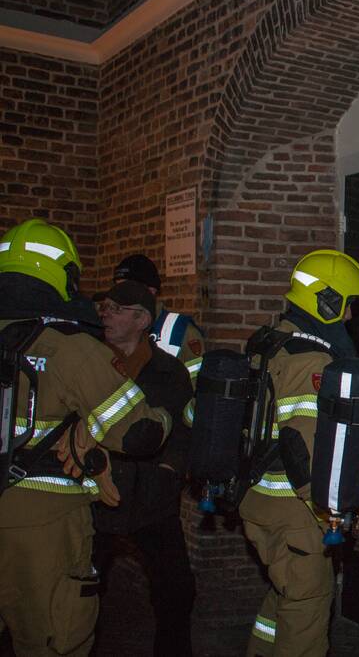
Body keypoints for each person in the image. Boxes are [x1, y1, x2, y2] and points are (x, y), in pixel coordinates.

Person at [0, 219, 171, 657]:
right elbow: (138, 433)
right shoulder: (69, 346)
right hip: (42, 526)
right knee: (52, 641)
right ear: (65, 277)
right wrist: (166, 415)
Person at [240, 249, 359, 657]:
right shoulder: (311, 359)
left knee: (283, 597)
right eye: (347, 305)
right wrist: (329, 509)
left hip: (257, 497)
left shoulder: (269, 341)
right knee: (308, 606)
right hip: (293, 508)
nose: (350, 316)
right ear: (328, 301)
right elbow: (301, 445)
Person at [91, 280, 196, 656]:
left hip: (150, 497)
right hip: (93, 496)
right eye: (103, 307)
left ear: (141, 320)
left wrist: (169, 471)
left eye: (115, 309)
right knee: (82, 589)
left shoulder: (169, 372)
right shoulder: (87, 363)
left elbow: (183, 429)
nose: (105, 314)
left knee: (177, 590)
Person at [111, 254, 205, 371]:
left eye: (128, 289)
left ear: (151, 291)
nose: (118, 296)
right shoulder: (110, 327)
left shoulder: (181, 332)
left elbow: (195, 383)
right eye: (117, 288)